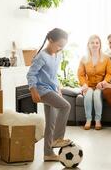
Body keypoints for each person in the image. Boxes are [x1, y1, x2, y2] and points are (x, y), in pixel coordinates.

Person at [27, 28, 72, 162]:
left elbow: (52, 74)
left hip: (51, 89)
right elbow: (31, 74)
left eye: (62, 47)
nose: (60, 49)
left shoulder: (58, 54)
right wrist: (33, 90)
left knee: (51, 123)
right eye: (59, 45)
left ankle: (48, 153)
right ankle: (58, 139)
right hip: (42, 90)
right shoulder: (41, 56)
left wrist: (57, 87)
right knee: (66, 106)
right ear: (50, 40)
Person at [78, 35, 111, 130]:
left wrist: (103, 82)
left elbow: (109, 73)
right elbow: (80, 74)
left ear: (100, 45)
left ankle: (98, 121)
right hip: (88, 85)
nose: (95, 45)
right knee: (88, 95)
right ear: (88, 45)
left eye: (97, 43)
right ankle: (88, 120)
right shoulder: (84, 58)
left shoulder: (106, 58)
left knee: (97, 95)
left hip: (101, 86)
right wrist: (84, 84)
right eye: (92, 43)